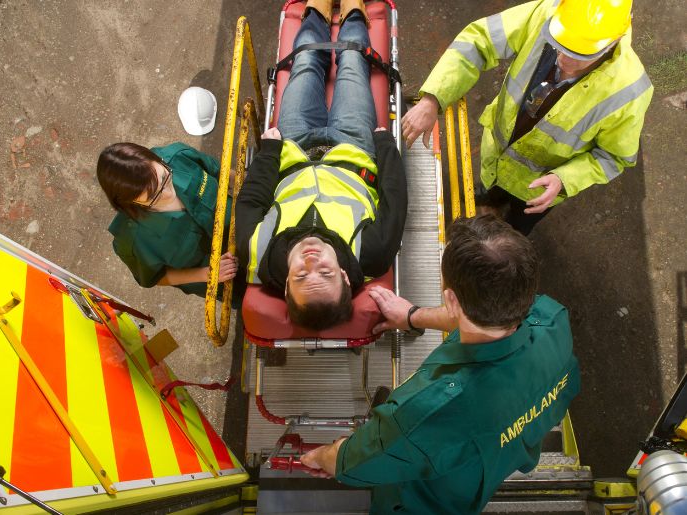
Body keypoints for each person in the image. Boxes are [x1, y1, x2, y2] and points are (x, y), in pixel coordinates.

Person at [300, 215, 580, 514]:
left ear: (451, 299)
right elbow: (487, 316)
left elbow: (353, 460)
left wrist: (321, 457)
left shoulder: (428, 412)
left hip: (426, 502)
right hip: (491, 465)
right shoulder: (552, 320)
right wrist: (411, 316)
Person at [402, 0, 653, 235]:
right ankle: (491, 195)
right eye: (559, 43)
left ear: (616, 40)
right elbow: (480, 39)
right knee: (491, 187)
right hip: (498, 156)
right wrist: (432, 99)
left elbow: (613, 157)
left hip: (537, 189)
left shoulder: (629, 92)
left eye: (580, 54)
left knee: (513, 230)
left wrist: (564, 180)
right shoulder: (548, 12)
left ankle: (510, 226)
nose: (563, 59)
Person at [235, 0, 407, 330]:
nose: (311, 261)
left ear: (286, 286)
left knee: (305, 62)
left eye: (300, 275)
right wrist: (385, 145)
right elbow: (395, 197)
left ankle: (316, 10)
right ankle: (355, 10)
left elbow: (251, 199)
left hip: (295, 146)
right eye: (325, 272)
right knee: (353, 59)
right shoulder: (372, 254)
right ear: (344, 274)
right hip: (352, 145)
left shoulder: (258, 252)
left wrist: (270, 151)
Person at [96, 142, 239, 299]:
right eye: (153, 196)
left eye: (164, 178)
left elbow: (220, 172)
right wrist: (207, 274)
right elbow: (156, 277)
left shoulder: (178, 157)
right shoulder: (132, 242)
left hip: (243, 225)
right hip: (223, 278)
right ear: (129, 202)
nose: (168, 193)